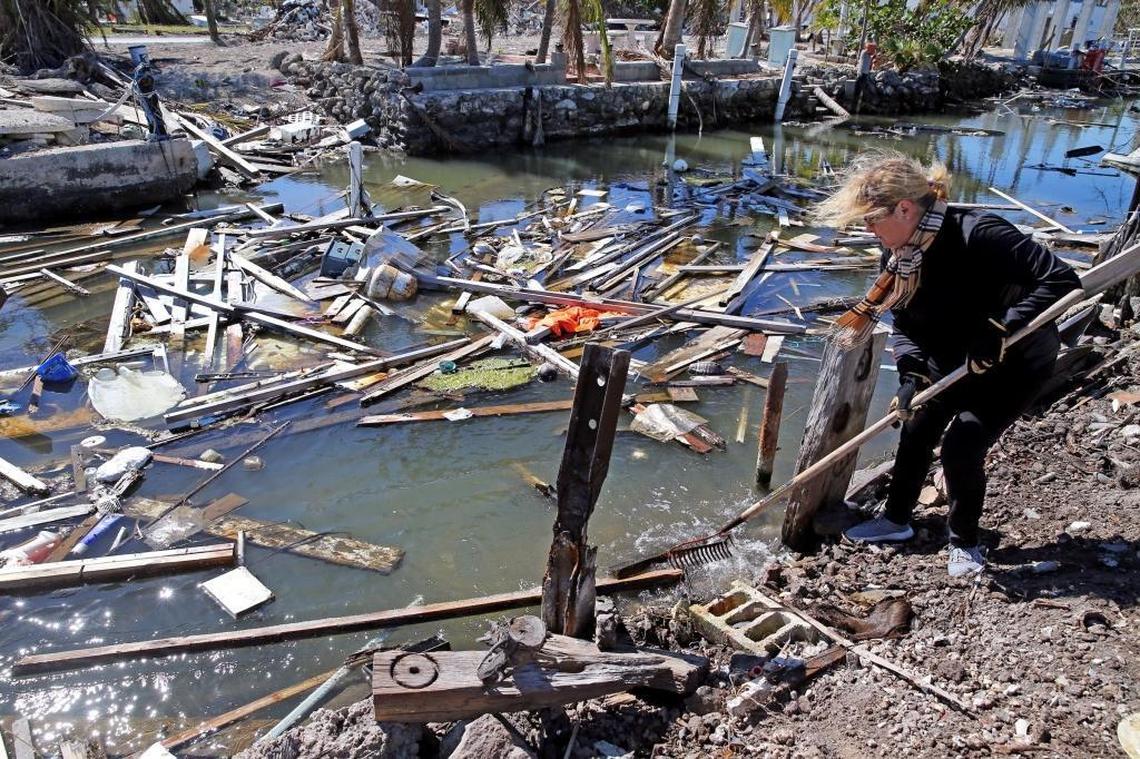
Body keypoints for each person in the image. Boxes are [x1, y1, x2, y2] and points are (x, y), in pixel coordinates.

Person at [814, 151, 1081, 577]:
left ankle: (966, 543)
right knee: (916, 427)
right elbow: (903, 320)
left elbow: (1062, 279)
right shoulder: (902, 257)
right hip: (950, 356)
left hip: (1014, 363)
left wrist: (1001, 327)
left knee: (962, 445)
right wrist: (910, 374)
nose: (868, 231)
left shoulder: (979, 234)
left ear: (904, 208)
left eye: (871, 220)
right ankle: (896, 520)